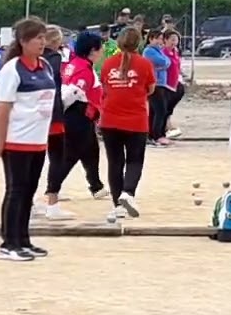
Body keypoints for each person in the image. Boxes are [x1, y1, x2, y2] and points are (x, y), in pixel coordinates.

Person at [0, 17, 54, 262]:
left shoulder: (45, 65)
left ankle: (23, 239)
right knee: (15, 191)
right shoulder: (12, 69)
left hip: (38, 141)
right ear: (23, 41)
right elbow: (1, 109)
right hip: (17, 141)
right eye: (37, 38)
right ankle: (9, 243)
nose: (42, 42)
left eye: (44, 38)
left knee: (29, 192)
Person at [99, 27, 155, 222]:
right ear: (139, 43)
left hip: (110, 119)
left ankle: (117, 205)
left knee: (115, 162)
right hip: (135, 120)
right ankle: (128, 192)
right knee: (134, 160)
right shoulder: (144, 64)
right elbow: (150, 89)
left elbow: (105, 86)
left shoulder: (108, 63)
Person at [51, 32, 108, 208]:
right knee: (71, 155)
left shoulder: (76, 63)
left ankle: (96, 186)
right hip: (78, 116)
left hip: (82, 116)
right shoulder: (83, 68)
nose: (102, 51)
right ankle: (52, 190)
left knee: (91, 151)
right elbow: (71, 93)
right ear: (93, 50)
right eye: (100, 48)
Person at [39, 26, 75, 222]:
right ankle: (52, 202)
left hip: (35, 114)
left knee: (34, 159)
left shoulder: (31, 58)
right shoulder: (53, 57)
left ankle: (32, 201)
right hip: (52, 113)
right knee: (57, 157)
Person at [142, 29, 171, 147]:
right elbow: (163, 62)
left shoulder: (158, 50)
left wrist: (164, 64)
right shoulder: (149, 51)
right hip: (155, 83)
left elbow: (167, 61)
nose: (160, 41)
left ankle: (152, 134)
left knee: (155, 110)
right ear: (151, 39)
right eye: (158, 38)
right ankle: (156, 135)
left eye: (161, 39)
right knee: (160, 110)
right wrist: (164, 64)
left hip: (161, 83)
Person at [164, 29, 184, 138]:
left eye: (176, 40)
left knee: (171, 105)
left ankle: (167, 125)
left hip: (175, 82)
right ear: (165, 40)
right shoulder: (163, 52)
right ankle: (166, 126)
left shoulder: (175, 51)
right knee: (165, 107)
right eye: (172, 40)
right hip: (165, 83)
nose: (174, 42)